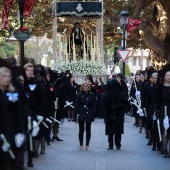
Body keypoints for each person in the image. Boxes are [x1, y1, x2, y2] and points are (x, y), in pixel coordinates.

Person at [0, 67, 25, 170]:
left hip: (12, 131)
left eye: (8, 76)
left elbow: (18, 113)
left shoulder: (13, 92)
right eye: (4, 76)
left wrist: (20, 132)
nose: (6, 79)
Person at [103, 79, 126, 150]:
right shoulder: (121, 93)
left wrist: (111, 107)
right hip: (118, 113)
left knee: (110, 130)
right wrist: (117, 107)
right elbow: (124, 102)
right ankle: (118, 144)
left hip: (110, 113)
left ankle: (110, 145)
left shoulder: (107, 93)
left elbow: (104, 103)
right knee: (118, 130)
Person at [75, 82, 96, 150]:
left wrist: (93, 113)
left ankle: (87, 144)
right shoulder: (79, 95)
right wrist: (76, 115)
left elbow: (94, 104)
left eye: (86, 86)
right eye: (84, 86)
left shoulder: (92, 95)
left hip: (89, 112)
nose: (85, 88)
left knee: (88, 129)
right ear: (82, 87)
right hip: (81, 112)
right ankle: (81, 144)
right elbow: (76, 105)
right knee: (81, 130)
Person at [155, 70, 170, 158]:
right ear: (164, 77)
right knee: (165, 129)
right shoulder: (160, 87)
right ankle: (164, 148)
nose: (169, 77)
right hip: (163, 109)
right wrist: (157, 111)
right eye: (167, 75)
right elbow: (157, 100)